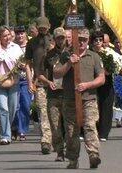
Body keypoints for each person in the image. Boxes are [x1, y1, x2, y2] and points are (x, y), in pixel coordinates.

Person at [53, 28, 104, 169]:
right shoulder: (66, 55)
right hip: (70, 99)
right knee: (71, 131)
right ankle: (73, 159)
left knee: (90, 126)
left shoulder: (93, 56)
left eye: (84, 40)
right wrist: (69, 63)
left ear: (88, 41)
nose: (81, 42)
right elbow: (56, 73)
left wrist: (88, 85)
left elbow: (101, 78)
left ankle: (93, 155)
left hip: (89, 99)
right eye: (79, 39)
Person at [25, 16, 54, 154]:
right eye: (40, 27)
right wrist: (30, 82)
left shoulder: (55, 40)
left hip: (56, 82)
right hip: (40, 82)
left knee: (55, 113)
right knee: (43, 111)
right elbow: (28, 64)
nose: (43, 30)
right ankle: (46, 141)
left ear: (49, 26)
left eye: (45, 27)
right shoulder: (32, 43)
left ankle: (57, 140)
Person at [0, 26, 24, 145]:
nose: (7, 38)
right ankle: (5, 136)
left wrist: (21, 66)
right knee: (3, 108)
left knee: (12, 108)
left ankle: (7, 129)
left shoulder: (16, 48)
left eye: (8, 35)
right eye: (4, 36)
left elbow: (21, 61)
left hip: (13, 81)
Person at [41, 27, 67, 161]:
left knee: (69, 126)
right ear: (54, 39)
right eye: (58, 38)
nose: (61, 40)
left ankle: (70, 150)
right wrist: (47, 82)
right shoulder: (49, 55)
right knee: (55, 126)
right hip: (53, 94)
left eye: (62, 37)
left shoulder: (71, 53)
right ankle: (60, 152)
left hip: (68, 94)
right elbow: (40, 73)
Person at [92, 32, 116, 140]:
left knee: (106, 107)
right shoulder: (89, 53)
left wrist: (107, 70)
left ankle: (104, 132)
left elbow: (112, 68)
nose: (98, 42)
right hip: (92, 83)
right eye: (96, 40)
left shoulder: (108, 53)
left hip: (106, 83)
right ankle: (92, 130)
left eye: (100, 40)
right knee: (93, 107)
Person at [12, 25, 33, 141]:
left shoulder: (30, 46)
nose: (20, 35)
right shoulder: (12, 47)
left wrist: (27, 66)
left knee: (25, 105)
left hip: (26, 80)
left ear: (25, 34)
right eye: (18, 33)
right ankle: (14, 127)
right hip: (14, 79)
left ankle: (22, 131)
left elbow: (35, 61)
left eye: (22, 33)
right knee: (15, 106)